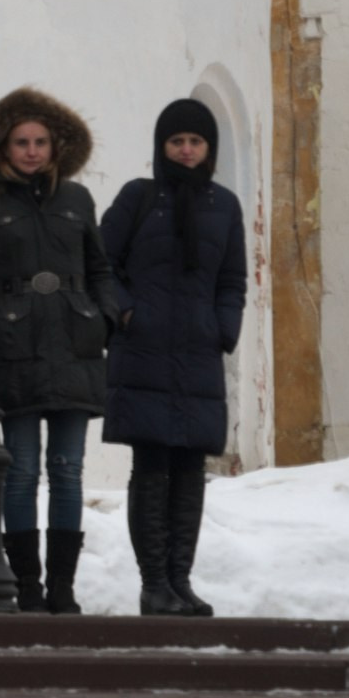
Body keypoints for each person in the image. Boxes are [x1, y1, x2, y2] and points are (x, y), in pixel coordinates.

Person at [0, 87, 121, 615]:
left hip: (75, 346)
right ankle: (27, 585)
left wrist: (106, 318)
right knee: (21, 470)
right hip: (17, 350)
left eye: (41, 141)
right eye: (21, 141)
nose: (31, 151)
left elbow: (101, 269)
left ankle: (62, 588)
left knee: (67, 469)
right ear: (3, 147)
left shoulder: (77, 200)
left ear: (56, 147)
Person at [102, 98, 246, 618]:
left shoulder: (224, 206)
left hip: (198, 355)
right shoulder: (138, 198)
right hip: (144, 353)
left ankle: (179, 582)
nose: (186, 151)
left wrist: (222, 330)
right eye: (176, 142)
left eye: (196, 142)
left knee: (190, 471)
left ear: (209, 148)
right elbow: (101, 263)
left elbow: (232, 280)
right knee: (152, 466)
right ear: (162, 147)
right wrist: (126, 314)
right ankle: (153, 585)